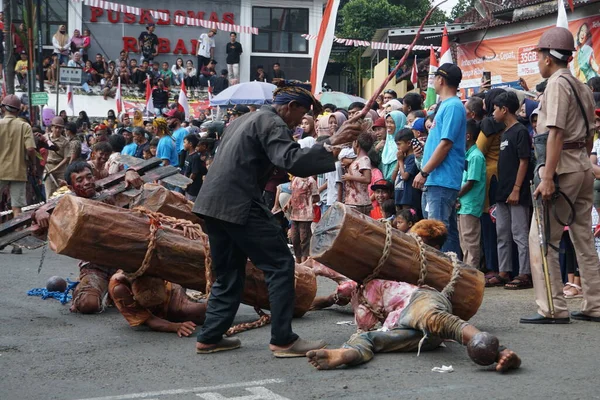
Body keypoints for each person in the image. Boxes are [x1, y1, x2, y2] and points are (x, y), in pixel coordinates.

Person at [192, 81, 362, 356]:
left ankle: (210, 336)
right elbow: (292, 161)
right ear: (290, 106)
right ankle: (283, 340)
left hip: (213, 204)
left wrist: (330, 143)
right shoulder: (272, 122)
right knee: (281, 265)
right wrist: (334, 142)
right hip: (239, 204)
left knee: (229, 272)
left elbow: (288, 155)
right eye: (301, 114)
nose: (299, 122)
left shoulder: (245, 119)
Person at [306, 219, 521, 373]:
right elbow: (330, 299)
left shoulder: (387, 273)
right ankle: (349, 353)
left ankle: (499, 351)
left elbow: (337, 296)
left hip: (419, 300)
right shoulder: (356, 287)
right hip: (418, 335)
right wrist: (306, 302)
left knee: (433, 318)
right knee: (369, 338)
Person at [521, 27, 600, 324]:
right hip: (582, 166)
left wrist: (548, 176)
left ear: (548, 57)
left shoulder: (555, 84)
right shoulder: (581, 86)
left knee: (542, 238)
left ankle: (552, 309)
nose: (538, 60)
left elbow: (554, 133)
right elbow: (590, 135)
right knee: (583, 240)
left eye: (539, 54)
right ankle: (595, 304)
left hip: (562, 166)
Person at [32, 161, 144, 313]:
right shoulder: (68, 206)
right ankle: (82, 290)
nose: (87, 182)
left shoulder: (109, 194)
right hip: (94, 266)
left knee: (149, 297)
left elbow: (134, 176)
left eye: (89, 177)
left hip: (123, 262)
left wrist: (131, 170)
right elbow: (42, 226)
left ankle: (114, 291)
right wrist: (39, 212)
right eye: (79, 180)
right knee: (88, 304)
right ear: (71, 187)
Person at [413, 63, 467, 255]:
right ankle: (453, 276)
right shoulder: (445, 105)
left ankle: (445, 277)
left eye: (434, 77)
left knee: (435, 234)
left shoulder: (453, 106)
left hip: (441, 179)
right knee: (446, 232)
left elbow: (446, 144)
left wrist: (424, 172)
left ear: (441, 80)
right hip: (436, 179)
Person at [491, 91, 533, 289]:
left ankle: (525, 273)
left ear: (504, 109)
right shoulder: (505, 133)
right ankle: (504, 271)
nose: (493, 113)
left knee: (519, 233)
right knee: (502, 233)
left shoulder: (520, 131)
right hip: (503, 192)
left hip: (517, 192)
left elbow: (524, 161)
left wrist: (516, 189)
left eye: (495, 109)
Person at [109, 271, 207, 337]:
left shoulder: (156, 268)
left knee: (208, 310)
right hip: (161, 311)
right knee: (187, 311)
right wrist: (175, 326)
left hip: (169, 290)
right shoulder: (119, 287)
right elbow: (150, 320)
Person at [477, 89, 505, 283]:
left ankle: (493, 268)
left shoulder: (489, 122)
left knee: (489, 224)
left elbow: (479, 150)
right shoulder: (509, 122)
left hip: (488, 176)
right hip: (503, 174)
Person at [0, 95, 36, 227]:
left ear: (3, 108)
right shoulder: (24, 126)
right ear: (18, 110)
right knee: (17, 208)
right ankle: (18, 243)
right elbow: (31, 149)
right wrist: (32, 164)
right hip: (18, 171)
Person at [457, 119, 486, 269]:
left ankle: (473, 274)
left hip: (470, 204)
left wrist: (455, 196)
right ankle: (468, 273)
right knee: (464, 242)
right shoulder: (467, 155)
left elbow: (470, 182)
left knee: (470, 241)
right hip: (463, 205)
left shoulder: (475, 156)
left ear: (467, 136)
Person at [342, 132, 373, 215]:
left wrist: (350, 177)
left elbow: (367, 179)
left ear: (356, 143)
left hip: (359, 203)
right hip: (353, 201)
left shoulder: (364, 159)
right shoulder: (359, 159)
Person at [393, 128, 420, 215]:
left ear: (408, 143)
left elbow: (405, 176)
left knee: (408, 220)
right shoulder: (403, 159)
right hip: (399, 196)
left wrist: (400, 161)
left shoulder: (412, 158)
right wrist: (399, 161)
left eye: (399, 144)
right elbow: (393, 178)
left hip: (408, 197)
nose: (397, 147)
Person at [44, 117, 69, 199]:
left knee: (62, 193)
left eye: (60, 128)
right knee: (49, 193)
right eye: (56, 127)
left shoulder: (65, 141)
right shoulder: (45, 138)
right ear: (52, 127)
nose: (57, 130)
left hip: (60, 168)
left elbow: (66, 158)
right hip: (48, 167)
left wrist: (55, 169)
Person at [181, 134, 207, 202]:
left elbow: (194, 173)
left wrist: (186, 184)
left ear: (190, 144)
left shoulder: (195, 157)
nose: (183, 144)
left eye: (184, 142)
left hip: (193, 188)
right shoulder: (187, 154)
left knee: (190, 205)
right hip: (188, 188)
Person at [381, 111, 406, 182]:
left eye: (392, 122)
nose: (388, 125)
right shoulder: (386, 143)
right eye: (387, 122)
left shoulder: (404, 145)